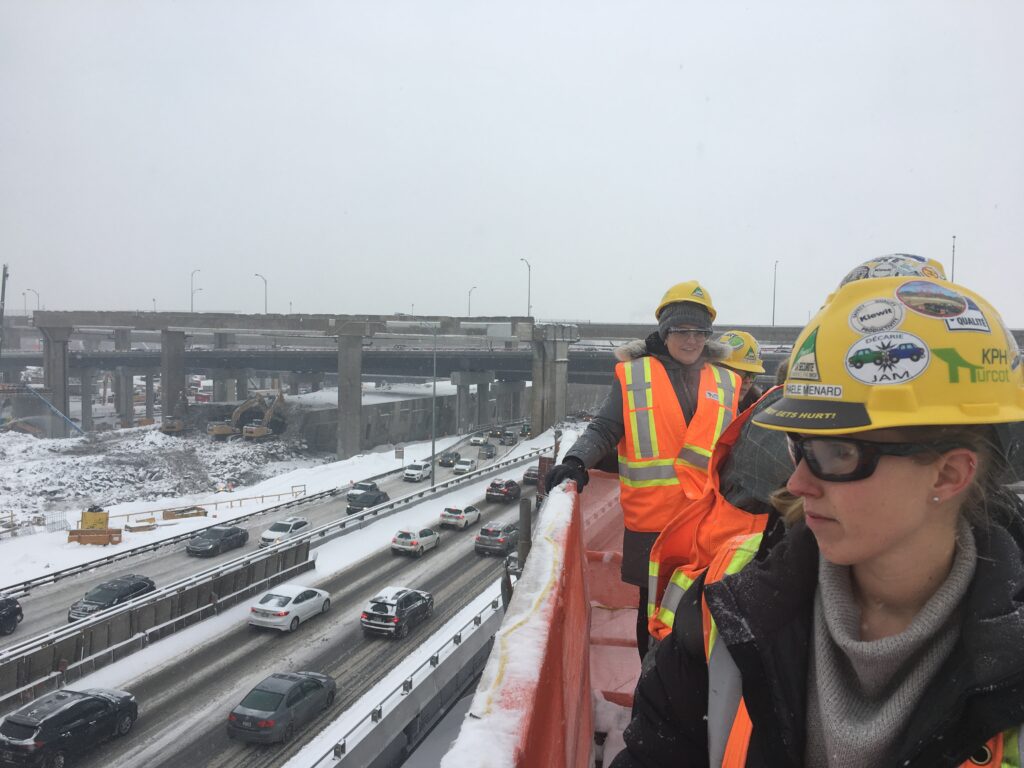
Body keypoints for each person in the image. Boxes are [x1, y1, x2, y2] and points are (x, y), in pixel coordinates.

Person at [611, 273, 1024, 767]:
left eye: (837, 452)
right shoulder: (725, 609)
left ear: (950, 474)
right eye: (797, 448)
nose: (797, 484)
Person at [544, 280, 741, 660]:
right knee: (651, 609)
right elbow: (605, 428)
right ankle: (651, 688)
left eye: (700, 332)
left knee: (697, 610)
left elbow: (733, 446)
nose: (692, 340)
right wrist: (575, 461)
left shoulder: (727, 382)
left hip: (705, 522)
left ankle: (685, 688)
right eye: (682, 331)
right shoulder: (635, 377)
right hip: (652, 525)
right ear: (665, 333)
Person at [715, 331, 766, 412]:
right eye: (742, 374)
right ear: (718, 369)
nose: (748, 381)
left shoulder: (758, 411)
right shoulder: (693, 403)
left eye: (752, 375)